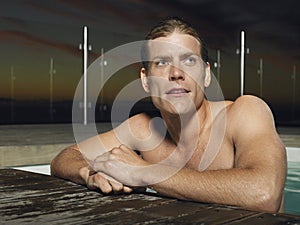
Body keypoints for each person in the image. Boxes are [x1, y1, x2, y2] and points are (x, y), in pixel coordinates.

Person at [51, 17, 287, 213]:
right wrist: (90, 174)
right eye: (162, 62)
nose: (176, 73)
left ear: (206, 75)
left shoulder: (244, 112)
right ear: (145, 79)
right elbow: (65, 158)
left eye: (189, 60)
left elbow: (264, 194)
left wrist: (144, 172)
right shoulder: (142, 128)